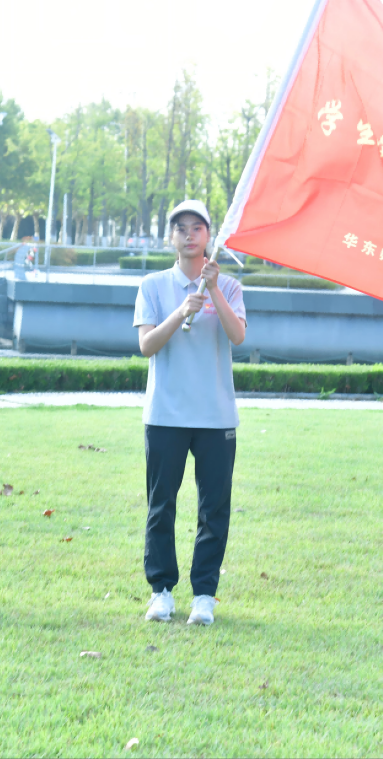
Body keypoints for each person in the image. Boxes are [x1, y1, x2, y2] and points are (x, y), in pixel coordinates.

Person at [133, 199, 247, 626]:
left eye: (197, 227)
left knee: (213, 509)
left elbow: (237, 336)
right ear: (171, 238)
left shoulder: (229, 287)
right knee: (161, 505)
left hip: (216, 417)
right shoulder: (153, 286)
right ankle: (161, 591)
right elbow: (147, 346)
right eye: (180, 228)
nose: (188, 234)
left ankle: (204, 596)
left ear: (209, 236)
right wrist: (181, 310)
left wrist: (213, 290)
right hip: (165, 414)